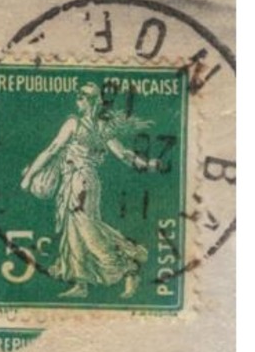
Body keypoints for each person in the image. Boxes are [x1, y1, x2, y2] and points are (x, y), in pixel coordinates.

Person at [20, 83, 158, 299]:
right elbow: (124, 155)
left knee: (88, 230)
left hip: (79, 182)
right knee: (75, 230)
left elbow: (52, 149)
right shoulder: (103, 128)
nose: (78, 98)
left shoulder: (74, 124)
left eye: (82, 96)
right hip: (85, 182)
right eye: (78, 95)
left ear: (92, 101)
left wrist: (29, 177)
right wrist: (146, 164)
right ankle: (81, 283)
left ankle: (129, 268)